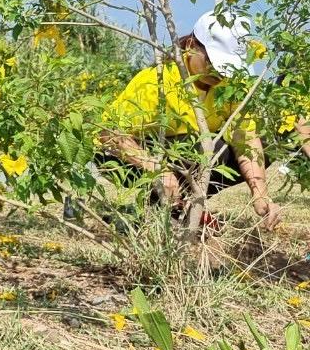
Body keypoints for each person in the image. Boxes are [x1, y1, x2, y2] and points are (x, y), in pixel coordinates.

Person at [96, 11, 280, 229]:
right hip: (123, 159)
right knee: (208, 147)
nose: (219, 72)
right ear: (192, 45)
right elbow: (108, 134)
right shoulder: (158, 80)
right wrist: (156, 168)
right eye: (212, 61)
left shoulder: (231, 87)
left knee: (260, 148)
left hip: (185, 158)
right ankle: (165, 212)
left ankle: (172, 210)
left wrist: (260, 195)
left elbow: (245, 138)